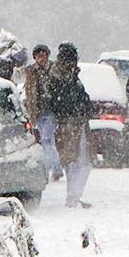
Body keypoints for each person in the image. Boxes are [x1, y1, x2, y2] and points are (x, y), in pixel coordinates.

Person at [48, 42, 94, 208]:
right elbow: (59, 101)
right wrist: (77, 109)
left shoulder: (72, 77)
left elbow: (82, 97)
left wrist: (87, 108)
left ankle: (74, 196)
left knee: (84, 162)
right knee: (73, 163)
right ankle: (72, 198)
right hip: (66, 125)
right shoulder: (58, 78)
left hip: (78, 123)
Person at [24, 43, 60, 182]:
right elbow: (29, 93)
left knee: (47, 140)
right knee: (45, 142)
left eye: (44, 55)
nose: (41, 58)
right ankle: (53, 168)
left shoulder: (54, 69)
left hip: (51, 111)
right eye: (38, 56)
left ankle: (52, 169)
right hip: (37, 112)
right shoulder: (31, 72)